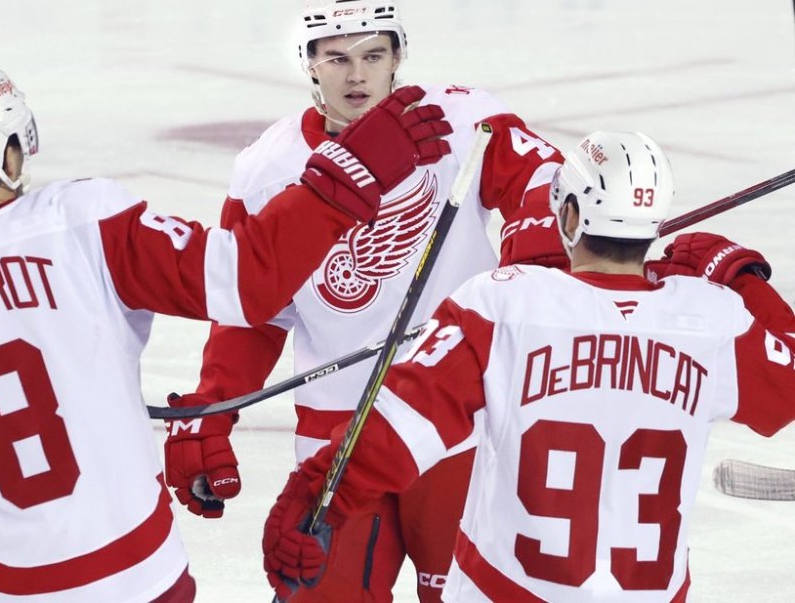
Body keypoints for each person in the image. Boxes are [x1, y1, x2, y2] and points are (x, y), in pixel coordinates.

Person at [0, 64, 452, 602]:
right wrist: (343, 178)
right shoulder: (87, 223)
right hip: (134, 577)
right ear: (11, 151)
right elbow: (250, 280)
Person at [162, 0, 567, 601]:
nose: (357, 76)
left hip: (459, 424)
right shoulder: (268, 169)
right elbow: (253, 307)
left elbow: (545, 177)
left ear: (399, 55)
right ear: (309, 62)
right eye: (337, 58)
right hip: (337, 436)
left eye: (373, 56)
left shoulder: (460, 120)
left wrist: (538, 239)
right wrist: (214, 408)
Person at [261, 130, 795, 602]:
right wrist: (738, 275)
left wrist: (309, 498)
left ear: (571, 216)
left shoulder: (501, 306)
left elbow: (393, 435)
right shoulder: (710, 318)